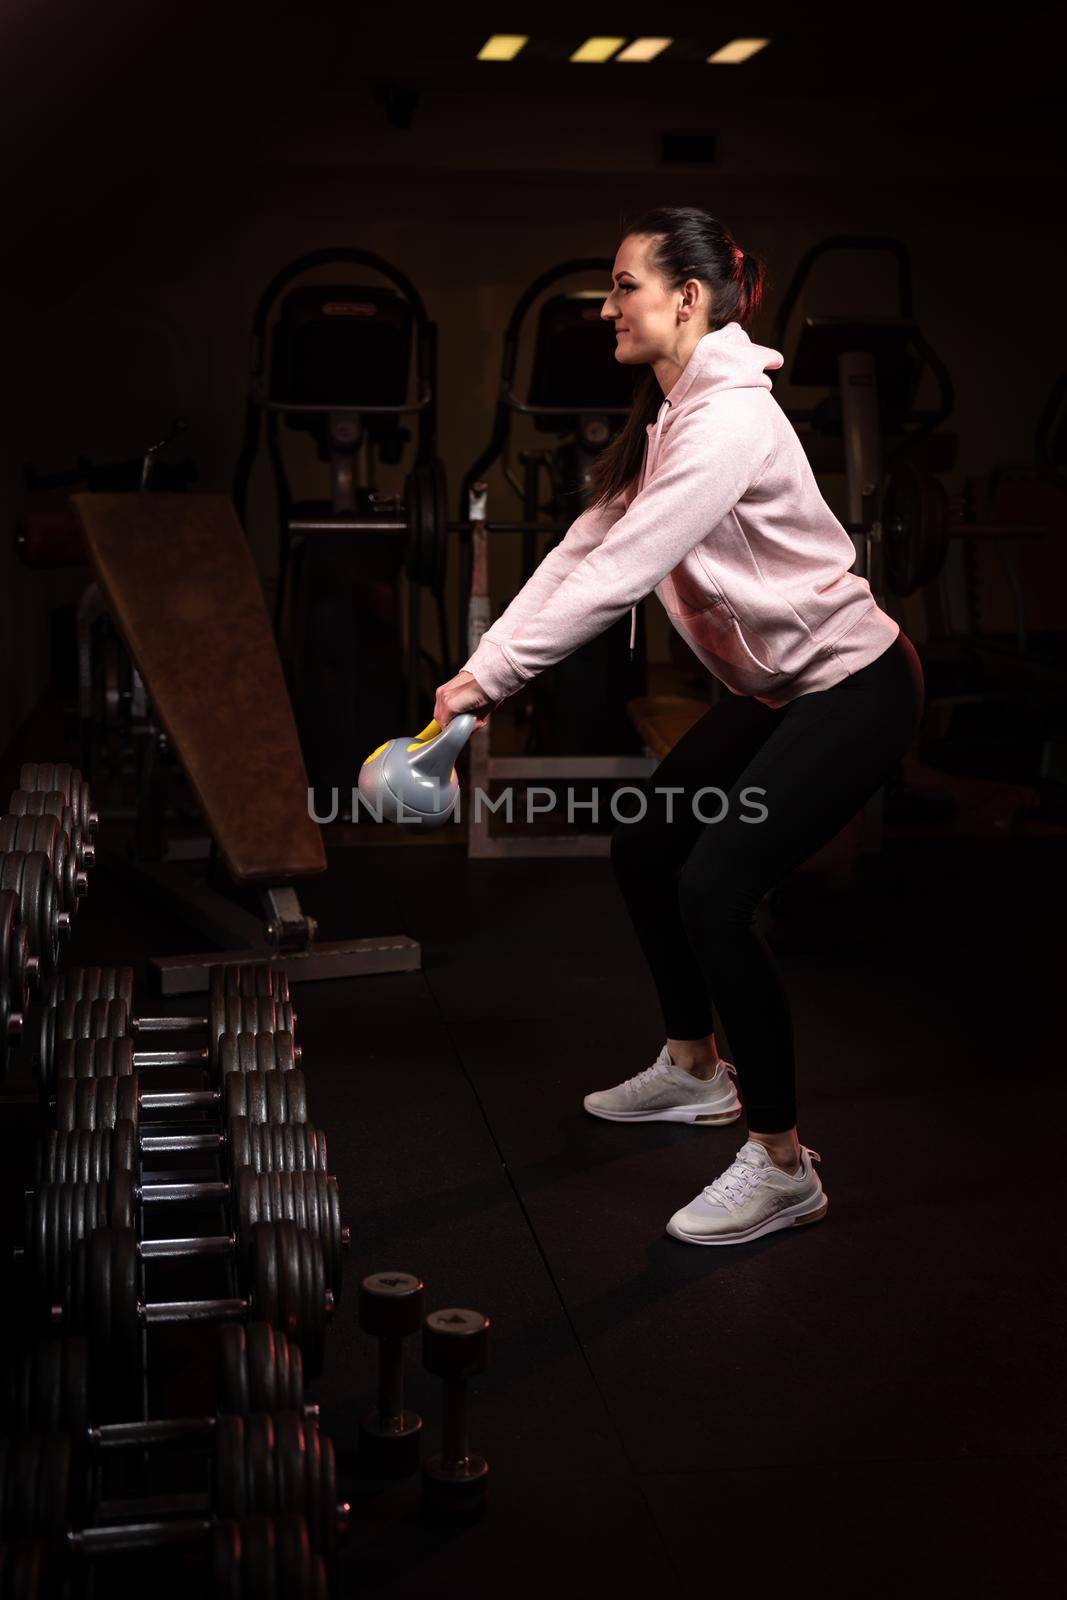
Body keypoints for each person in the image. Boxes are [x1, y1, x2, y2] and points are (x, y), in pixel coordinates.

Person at [434, 206, 925, 1247]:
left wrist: (493, 683)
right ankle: (695, 1067)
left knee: (715, 886)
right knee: (648, 848)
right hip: (778, 692)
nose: (606, 305)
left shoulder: (726, 422)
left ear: (686, 298)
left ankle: (782, 1162)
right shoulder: (669, 419)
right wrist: (475, 673)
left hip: (858, 687)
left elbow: (624, 572)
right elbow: (580, 548)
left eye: (622, 286)